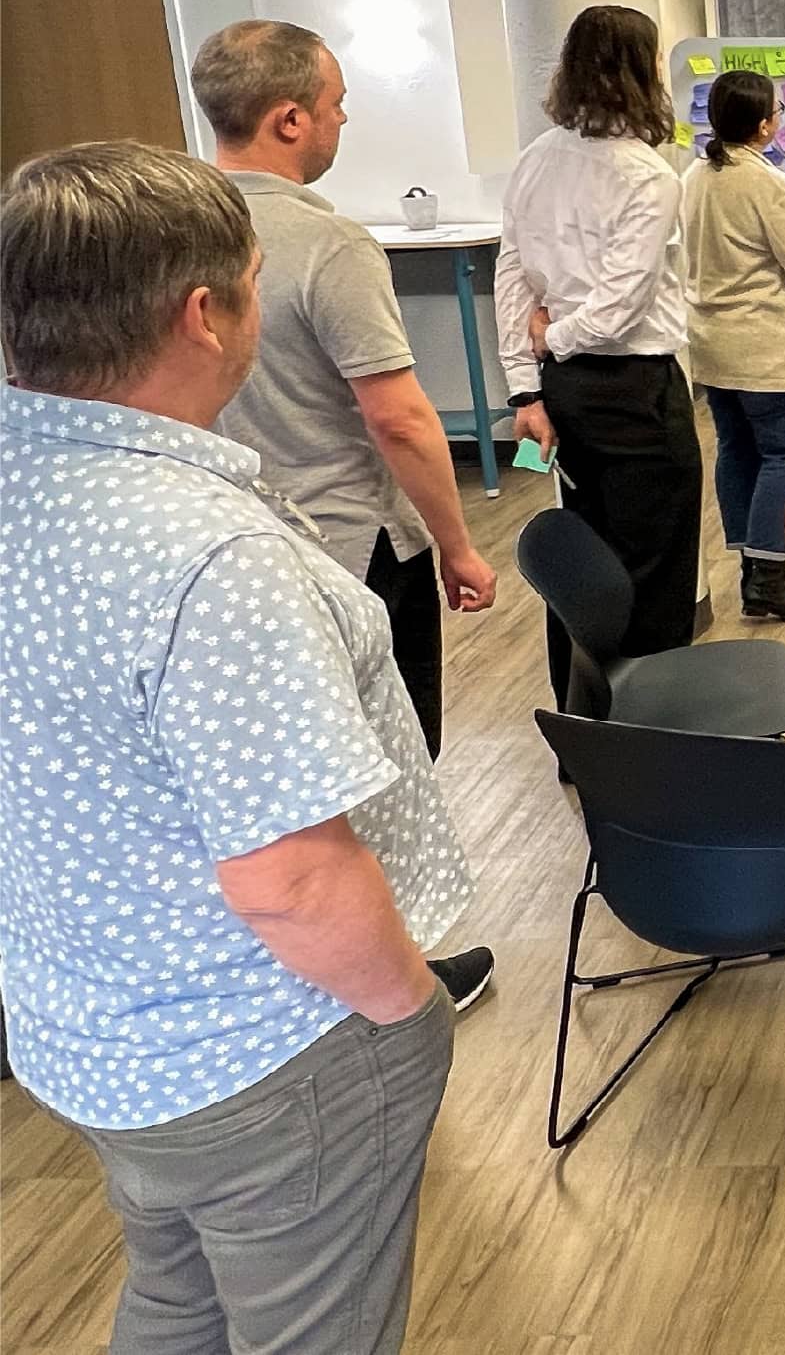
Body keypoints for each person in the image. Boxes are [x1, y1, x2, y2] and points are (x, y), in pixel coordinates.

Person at [0, 141, 471, 1353]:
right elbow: (292, 878)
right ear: (203, 313)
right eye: (256, 286)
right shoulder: (206, 556)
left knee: (176, 1298)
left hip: (88, 1028)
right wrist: (403, 1011)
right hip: (265, 1050)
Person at [190, 19, 494, 1012]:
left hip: (215, 545)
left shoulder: (168, 227)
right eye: (333, 107)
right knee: (383, 774)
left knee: (271, 794)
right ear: (288, 119)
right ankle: (389, 983)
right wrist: (454, 543)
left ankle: (300, 975)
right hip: (349, 554)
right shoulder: (325, 243)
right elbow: (400, 417)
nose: (341, 121)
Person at [498, 5, 702, 707]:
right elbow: (620, 306)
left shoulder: (536, 157)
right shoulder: (646, 176)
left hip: (565, 392)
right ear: (644, 72)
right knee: (655, 568)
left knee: (584, 566)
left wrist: (527, 388)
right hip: (633, 389)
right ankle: (650, 731)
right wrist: (547, 340)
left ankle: (584, 724)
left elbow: (512, 274)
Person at [680, 68, 785, 623]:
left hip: (714, 348)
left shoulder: (694, 175)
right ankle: (767, 578)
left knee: (737, 449)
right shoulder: (768, 184)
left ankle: (755, 558)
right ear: (765, 124)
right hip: (770, 350)